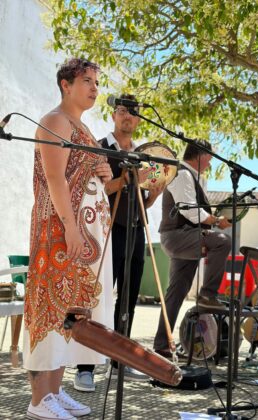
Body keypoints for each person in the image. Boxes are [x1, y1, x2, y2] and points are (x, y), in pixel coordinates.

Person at [23, 58, 114, 420]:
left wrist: (104, 172)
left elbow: (85, 175)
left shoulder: (84, 128)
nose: (94, 88)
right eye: (87, 81)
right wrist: (72, 228)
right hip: (59, 232)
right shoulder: (55, 122)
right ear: (66, 84)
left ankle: (55, 393)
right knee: (52, 307)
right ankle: (38, 400)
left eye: (96, 81)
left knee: (72, 312)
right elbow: (55, 179)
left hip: (83, 233)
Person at [74, 94, 164, 390]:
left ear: (139, 120)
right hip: (105, 231)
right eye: (123, 111)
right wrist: (125, 179)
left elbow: (144, 201)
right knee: (97, 296)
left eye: (134, 113)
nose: (128, 117)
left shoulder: (144, 153)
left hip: (136, 229)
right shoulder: (99, 148)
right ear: (114, 115)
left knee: (128, 298)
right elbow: (94, 191)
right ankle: (84, 367)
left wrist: (156, 192)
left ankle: (120, 359)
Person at [153, 140, 232, 358]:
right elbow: (188, 210)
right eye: (209, 157)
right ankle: (207, 295)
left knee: (176, 292)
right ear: (199, 154)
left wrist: (213, 220)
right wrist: (216, 221)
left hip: (186, 237)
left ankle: (161, 344)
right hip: (178, 236)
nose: (211, 162)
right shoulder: (182, 174)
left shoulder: (195, 178)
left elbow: (195, 212)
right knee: (222, 241)